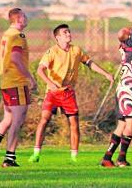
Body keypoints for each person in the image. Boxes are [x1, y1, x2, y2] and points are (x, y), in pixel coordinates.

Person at [29, 24, 113, 163]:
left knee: (74, 124)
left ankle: (74, 157)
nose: (68, 34)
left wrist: (106, 74)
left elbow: (90, 63)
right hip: (53, 93)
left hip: (68, 93)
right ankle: (36, 154)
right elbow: (40, 70)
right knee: (44, 120)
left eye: (69, 31)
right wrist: (50, 83)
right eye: (65, 32)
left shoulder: (77, 50)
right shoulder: (52, 51)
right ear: (58, 37)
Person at [0, 8, 37, 167]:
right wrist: (30, 78)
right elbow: (15, 58)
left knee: (8, 119)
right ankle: (9, 158)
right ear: (19, 19)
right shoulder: (18, 35)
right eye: (24, 16)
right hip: (16, 82)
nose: (26, 19)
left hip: (6, 82)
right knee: (17, 120)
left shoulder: (7, 34)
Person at [101, 7, 132, 167]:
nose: (131, 29)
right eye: (129, 30)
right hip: (130, 88)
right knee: (131, 124)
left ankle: (107, 157)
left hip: (124, 87)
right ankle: (121, 159)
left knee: (122, 124)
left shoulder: (128, 45)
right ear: (129, 36)